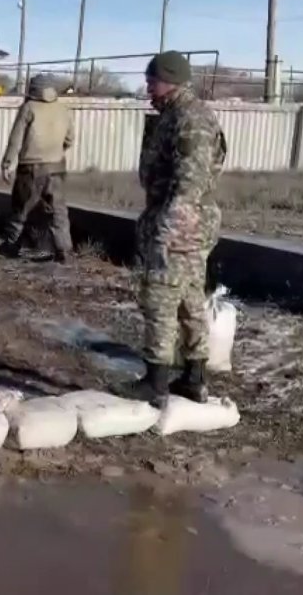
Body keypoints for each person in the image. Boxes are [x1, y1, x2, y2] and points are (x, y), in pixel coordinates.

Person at [122, 51, 227, 407]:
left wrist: (165, 232)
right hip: (184, 220)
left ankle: (155, 381)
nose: (148, 88)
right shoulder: (174, 114)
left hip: (182, 223)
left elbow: (190, 184)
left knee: (160, 297)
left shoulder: (190, 119)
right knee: (188, 299)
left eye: (152, 81)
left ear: (170, 81)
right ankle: (194, 378)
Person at [0, 74, 76, 262]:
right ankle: (64, 250)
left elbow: (16, 139)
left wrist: (7, 162)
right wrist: (57, 151)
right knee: (57, 211)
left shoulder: (29, 108)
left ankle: (11, 244)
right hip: (56, 166)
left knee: (21, 207)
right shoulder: (64, 109)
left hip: (31, 167)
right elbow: (70, 139)